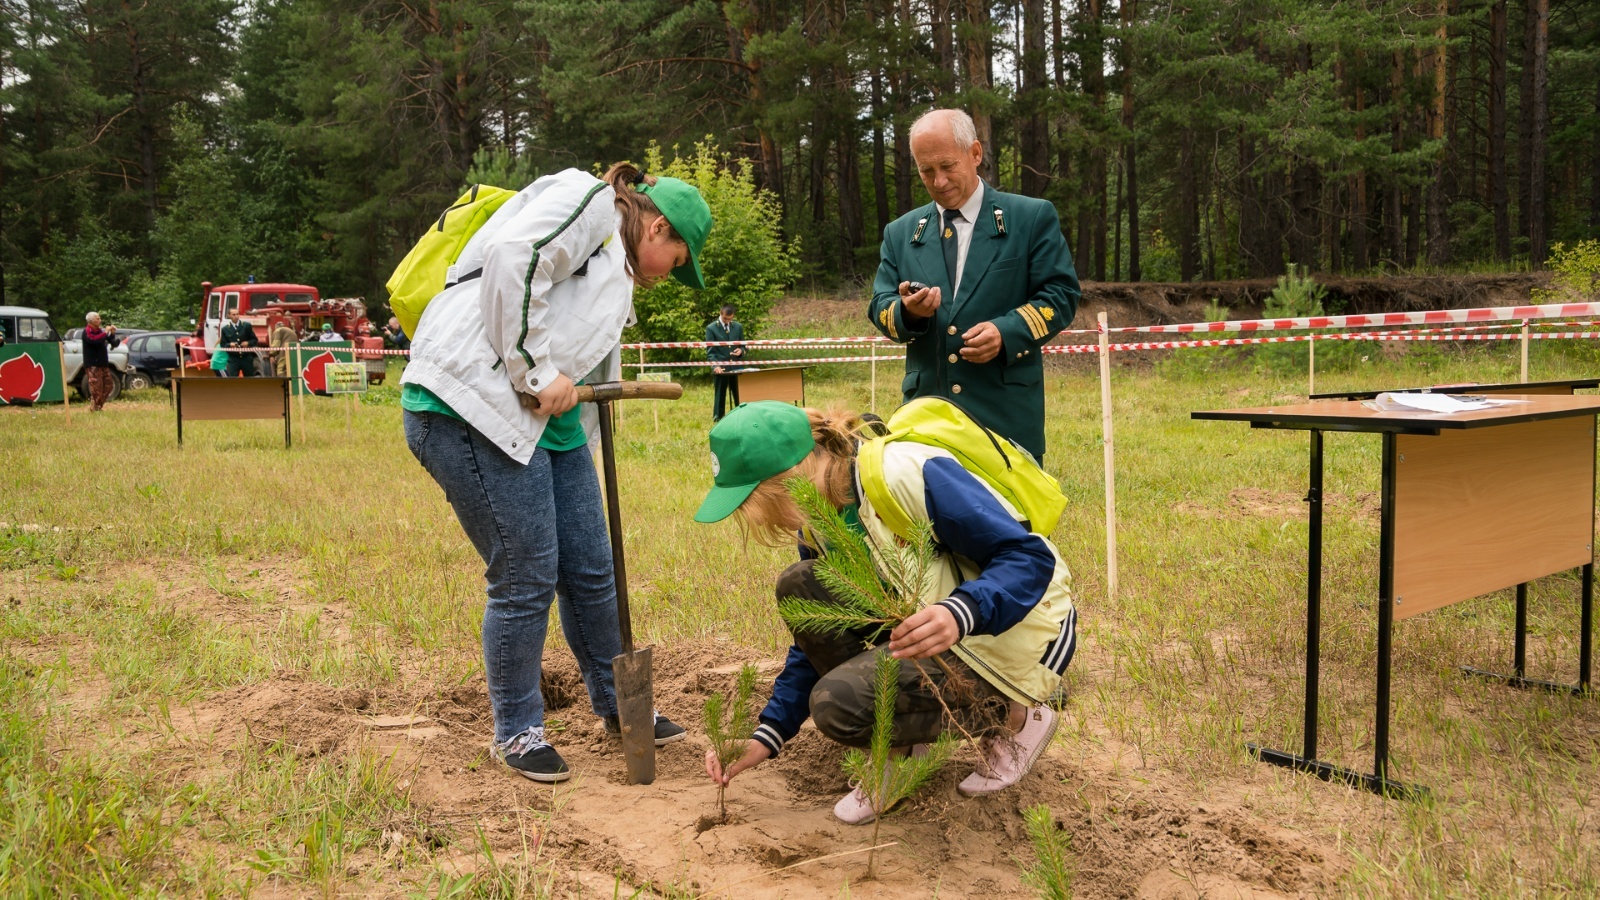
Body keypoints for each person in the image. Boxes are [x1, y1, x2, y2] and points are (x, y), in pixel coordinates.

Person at [400, 163, 713, 783]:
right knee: (525, 574)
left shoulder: (615, 272)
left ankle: (618, 704)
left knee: (592, 568)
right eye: (676, 260)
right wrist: (538, 374)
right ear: (657, 227)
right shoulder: (592, 202)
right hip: (466, 404)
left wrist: (567, 411)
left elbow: (584, 363)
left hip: (542, 421)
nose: (668, 276)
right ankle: (517, 731)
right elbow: (516, 258)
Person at [695, 401, 1077, 824]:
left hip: (1018, 626)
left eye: (758, 503)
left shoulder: (904, 473)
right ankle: (898, 751)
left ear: (789, 476)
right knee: (799, 584)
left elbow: (1027, 556)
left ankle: (1015, 715)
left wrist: (960, 612)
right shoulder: (818, 520)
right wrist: (766, 735)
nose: (767, 522)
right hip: (935, 625)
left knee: (838, 706)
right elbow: (817, 633)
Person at [867, 108, 1080, 461]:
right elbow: (880, 306)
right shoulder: (900, 233)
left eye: (947, 166)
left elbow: (1061, 295)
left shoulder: (1030, 218)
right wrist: (908, 312)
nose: (938, 182)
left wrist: (1005, 332)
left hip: (1004, 417)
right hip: (927, 419)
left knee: (1009, 517)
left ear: (976, 154)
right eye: (926, 171)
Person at [705, 304, 745, 421]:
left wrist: (741, 350)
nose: (728, 321)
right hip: (721, 367)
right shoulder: (711, 328)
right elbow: (711, 351)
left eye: (730, 319)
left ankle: (742, 416)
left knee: (739, 393)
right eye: (725, 319)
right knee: (720, 394)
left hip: (736, 366)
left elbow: (743, 344)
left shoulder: (738, 327)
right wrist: (715, 365)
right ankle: (718, 417)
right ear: (720, 314)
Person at [81, 312, 120, 411]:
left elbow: (114, 343)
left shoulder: (99, 331)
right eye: (98, 319)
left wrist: (112, 334)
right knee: (96, 388)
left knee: (108, 385)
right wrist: (105, 333)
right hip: (93, 364)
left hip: (103, 363)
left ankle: (97, 405)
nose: (100, 320)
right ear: (91, 321)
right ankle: (96, 407)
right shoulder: (87, 331)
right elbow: (95, 341)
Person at [220, 308, 259, 377]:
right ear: (229, 316)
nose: (236, 316)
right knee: (233, 380)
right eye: (233, 314)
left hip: (246, 357)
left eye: (237, 314)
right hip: (233, 359)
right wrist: (229, 344)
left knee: (250, 379)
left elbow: (255, 340)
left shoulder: (246, 326)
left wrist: (248, 343)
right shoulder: (225, 329)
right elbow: (223, 344)